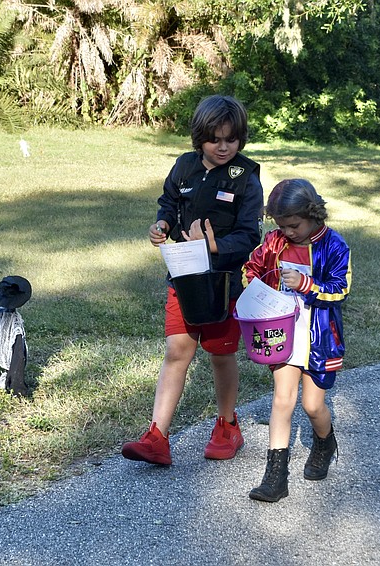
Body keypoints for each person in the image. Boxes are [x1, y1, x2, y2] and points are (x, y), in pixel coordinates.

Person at [121, 94, 264, 465]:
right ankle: (157, 437)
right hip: (183, 277)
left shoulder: (246, 177)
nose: (223, 146)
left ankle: (228, 426)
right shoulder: (184, 166)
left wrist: (215, 245)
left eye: (231, 139)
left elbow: (250, 237)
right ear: (199, 137)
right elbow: (168, 202)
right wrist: (162, 224)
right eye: (215, 139)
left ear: (240, 139)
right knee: (177, 352)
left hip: (223, 283)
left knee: (220, 354)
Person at [242, 179, 351, 502]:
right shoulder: (274, 242)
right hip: (281, 330)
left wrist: (305, 283)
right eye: (281, 226)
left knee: (312, 405)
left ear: (314, 214)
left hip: (318, 335)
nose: (288, 232)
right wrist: (258, 287)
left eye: (294, 225)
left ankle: (324, 441)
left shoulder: (334, 245)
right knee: (282, 400)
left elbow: (340, 289)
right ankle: (275, 476)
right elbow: (252, 269)